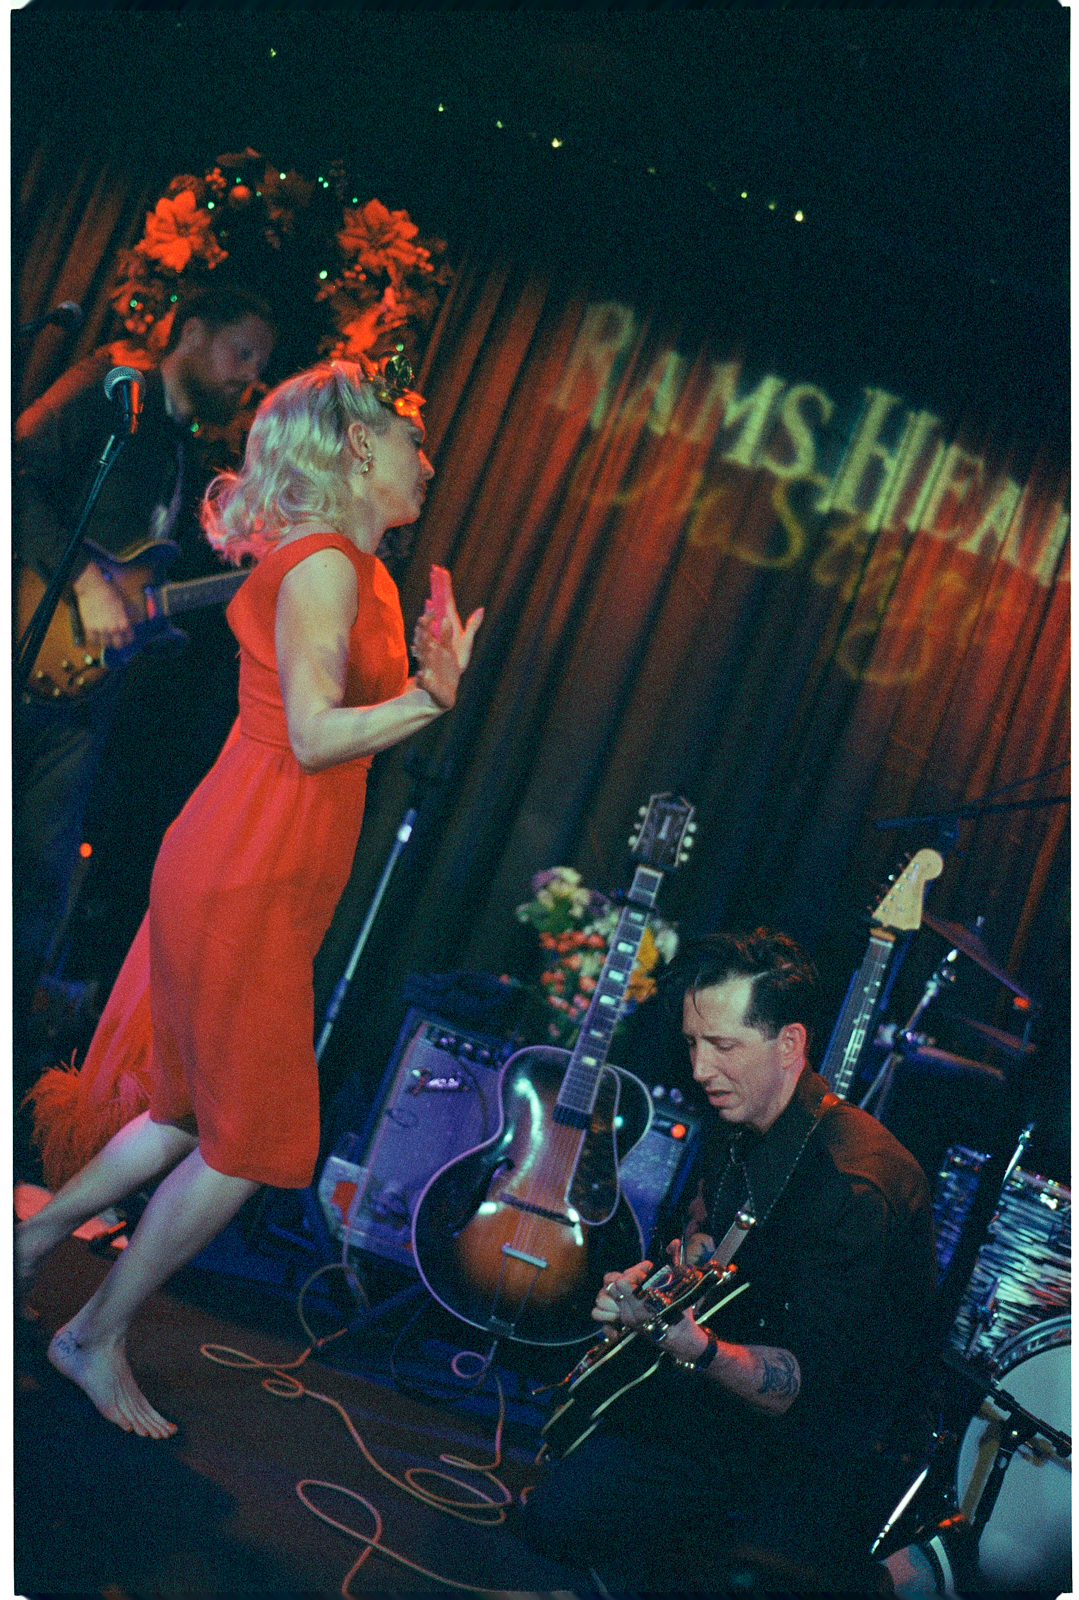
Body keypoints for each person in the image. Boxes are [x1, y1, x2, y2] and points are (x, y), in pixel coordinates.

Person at [15, 355, 484, 1441]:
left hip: (270, 867)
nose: (427, 460)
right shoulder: (320, 567)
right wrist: (429, 698)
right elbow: (314, 737)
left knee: (186, 1114)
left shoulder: (364, 575)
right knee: (258, 1137)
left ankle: (27, 1248)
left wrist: (416, 681)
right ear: (358, 446)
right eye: (412, 439)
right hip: (246, 868)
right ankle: (92, 1332)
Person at [515, 928, 938, 1592]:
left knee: (628, 1545)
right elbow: (706, 1234)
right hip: (721, 1396)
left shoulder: (853, 1185)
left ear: (789, 1044)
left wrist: (695, 1346)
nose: (699, 1069)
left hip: (808, 1446)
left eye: (722, 1046)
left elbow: (803, 1388)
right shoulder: (741, 1118)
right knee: (558, 1508)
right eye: (692, 1043)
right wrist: (657, 1283)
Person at [13, 284, 278, 1062]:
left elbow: (140, 579)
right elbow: (14, 471)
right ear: (190, 332)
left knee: (37, 880)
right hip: (23, 642)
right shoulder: (109, 387)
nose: (249, 376)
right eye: (241, 353)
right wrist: (82, 583)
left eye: (259, 364)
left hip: (83, 697)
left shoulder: (178, 453)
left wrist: (156, 617)